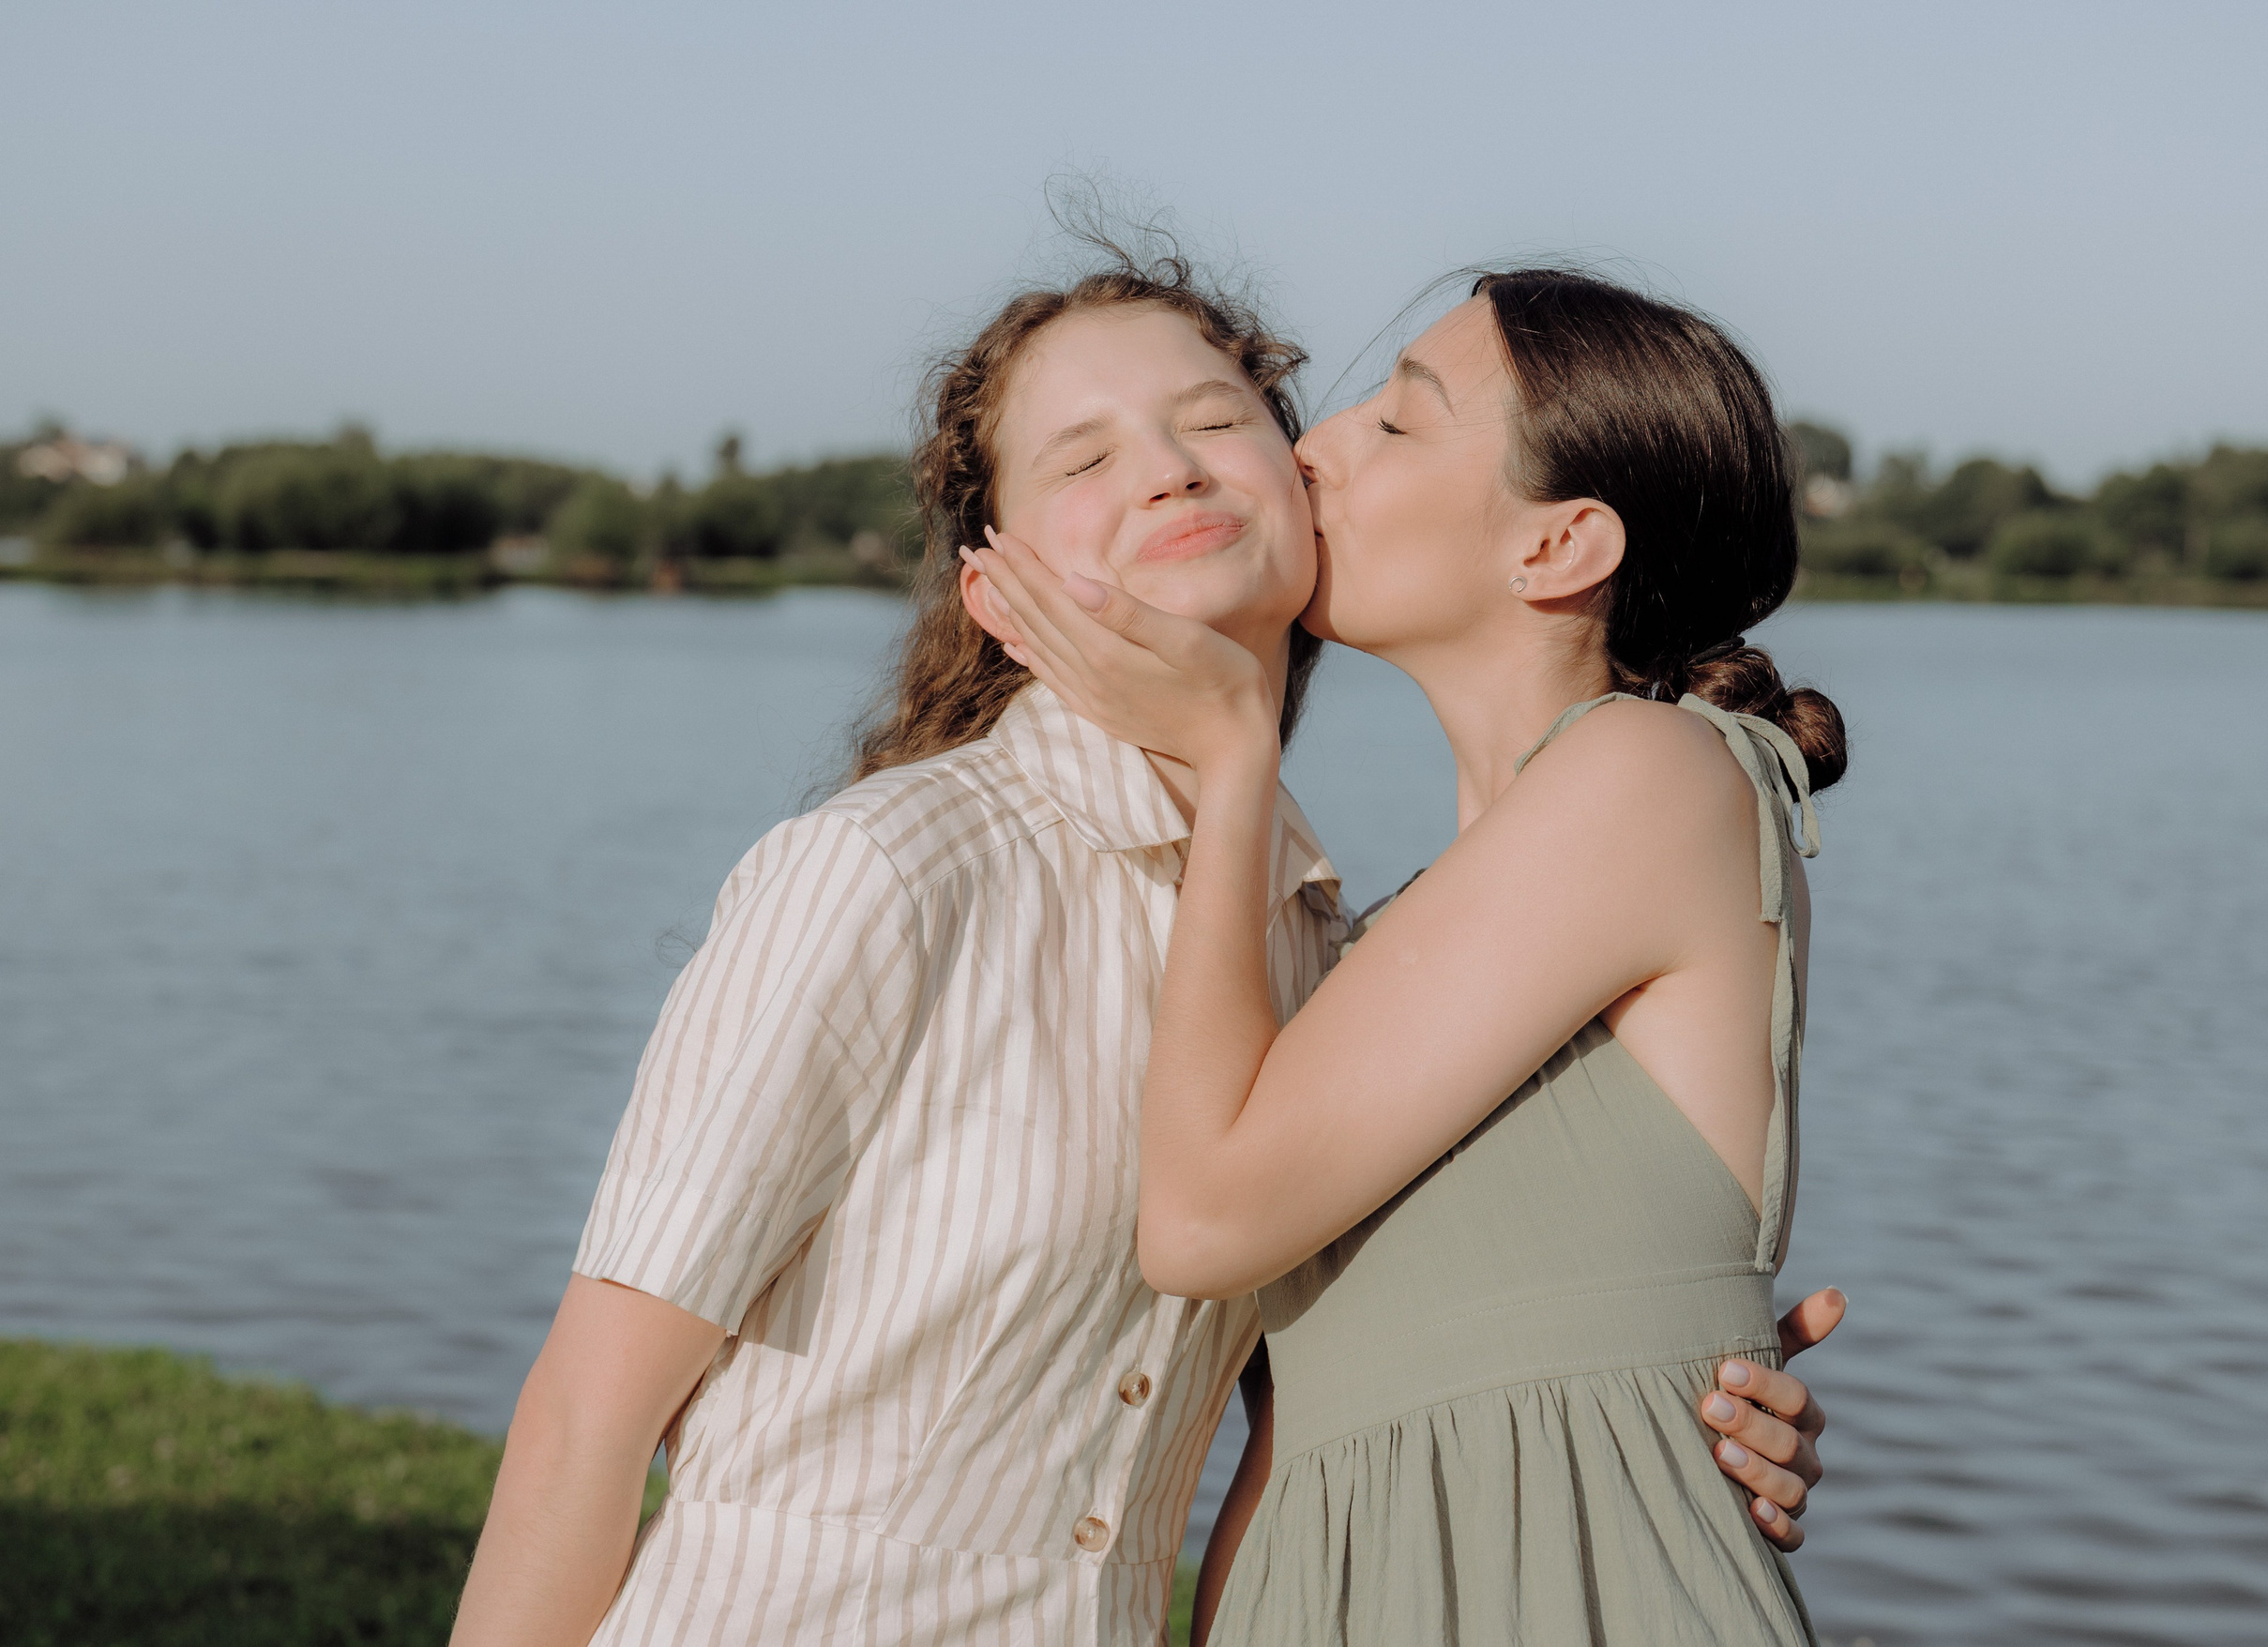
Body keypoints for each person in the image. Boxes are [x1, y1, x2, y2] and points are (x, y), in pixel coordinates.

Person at [450, 249, 1839, 1647]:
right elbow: (584, 1418)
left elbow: (1292, 1377)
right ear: (996, 579)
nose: (1306, 448)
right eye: (1081, 459)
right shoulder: (890, 871)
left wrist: (1649, 1374)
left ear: (1555, 546)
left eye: (1235, 420)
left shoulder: (1333, 935)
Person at [968, 264, 1842, 1645]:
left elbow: (1197, 1223)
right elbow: (1309, 1425)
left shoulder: (1653, 771)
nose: (1313, 444)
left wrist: (1234, 752)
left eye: (1396, 420)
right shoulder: (1391, 944)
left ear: (1558, 547)